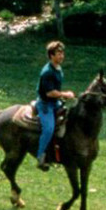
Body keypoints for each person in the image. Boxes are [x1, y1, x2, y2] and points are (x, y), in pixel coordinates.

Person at [35, 40, 75, 171]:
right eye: (58, 54)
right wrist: (65, 94)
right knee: (48, 128)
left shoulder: (58, 68)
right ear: (51, 55)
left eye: (62, 53)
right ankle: (41, 156)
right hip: (46, 105)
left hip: (55, 103)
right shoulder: (48, 72)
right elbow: (50, 93)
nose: (62, 56)